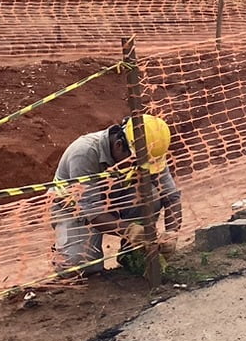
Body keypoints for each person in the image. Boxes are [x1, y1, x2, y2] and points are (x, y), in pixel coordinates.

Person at [51, 114, 183, 275]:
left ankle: (131, 254)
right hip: (74, 209)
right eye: (137, 163)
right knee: (79, 268)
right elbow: (93, 212)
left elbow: (171, 196)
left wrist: (172, 233)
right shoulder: (84, 153)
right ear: (119, 145)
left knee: (152, 194)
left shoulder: (148, 150)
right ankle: (67, 247)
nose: (142, 168)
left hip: (113, 199)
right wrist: (129, 230)